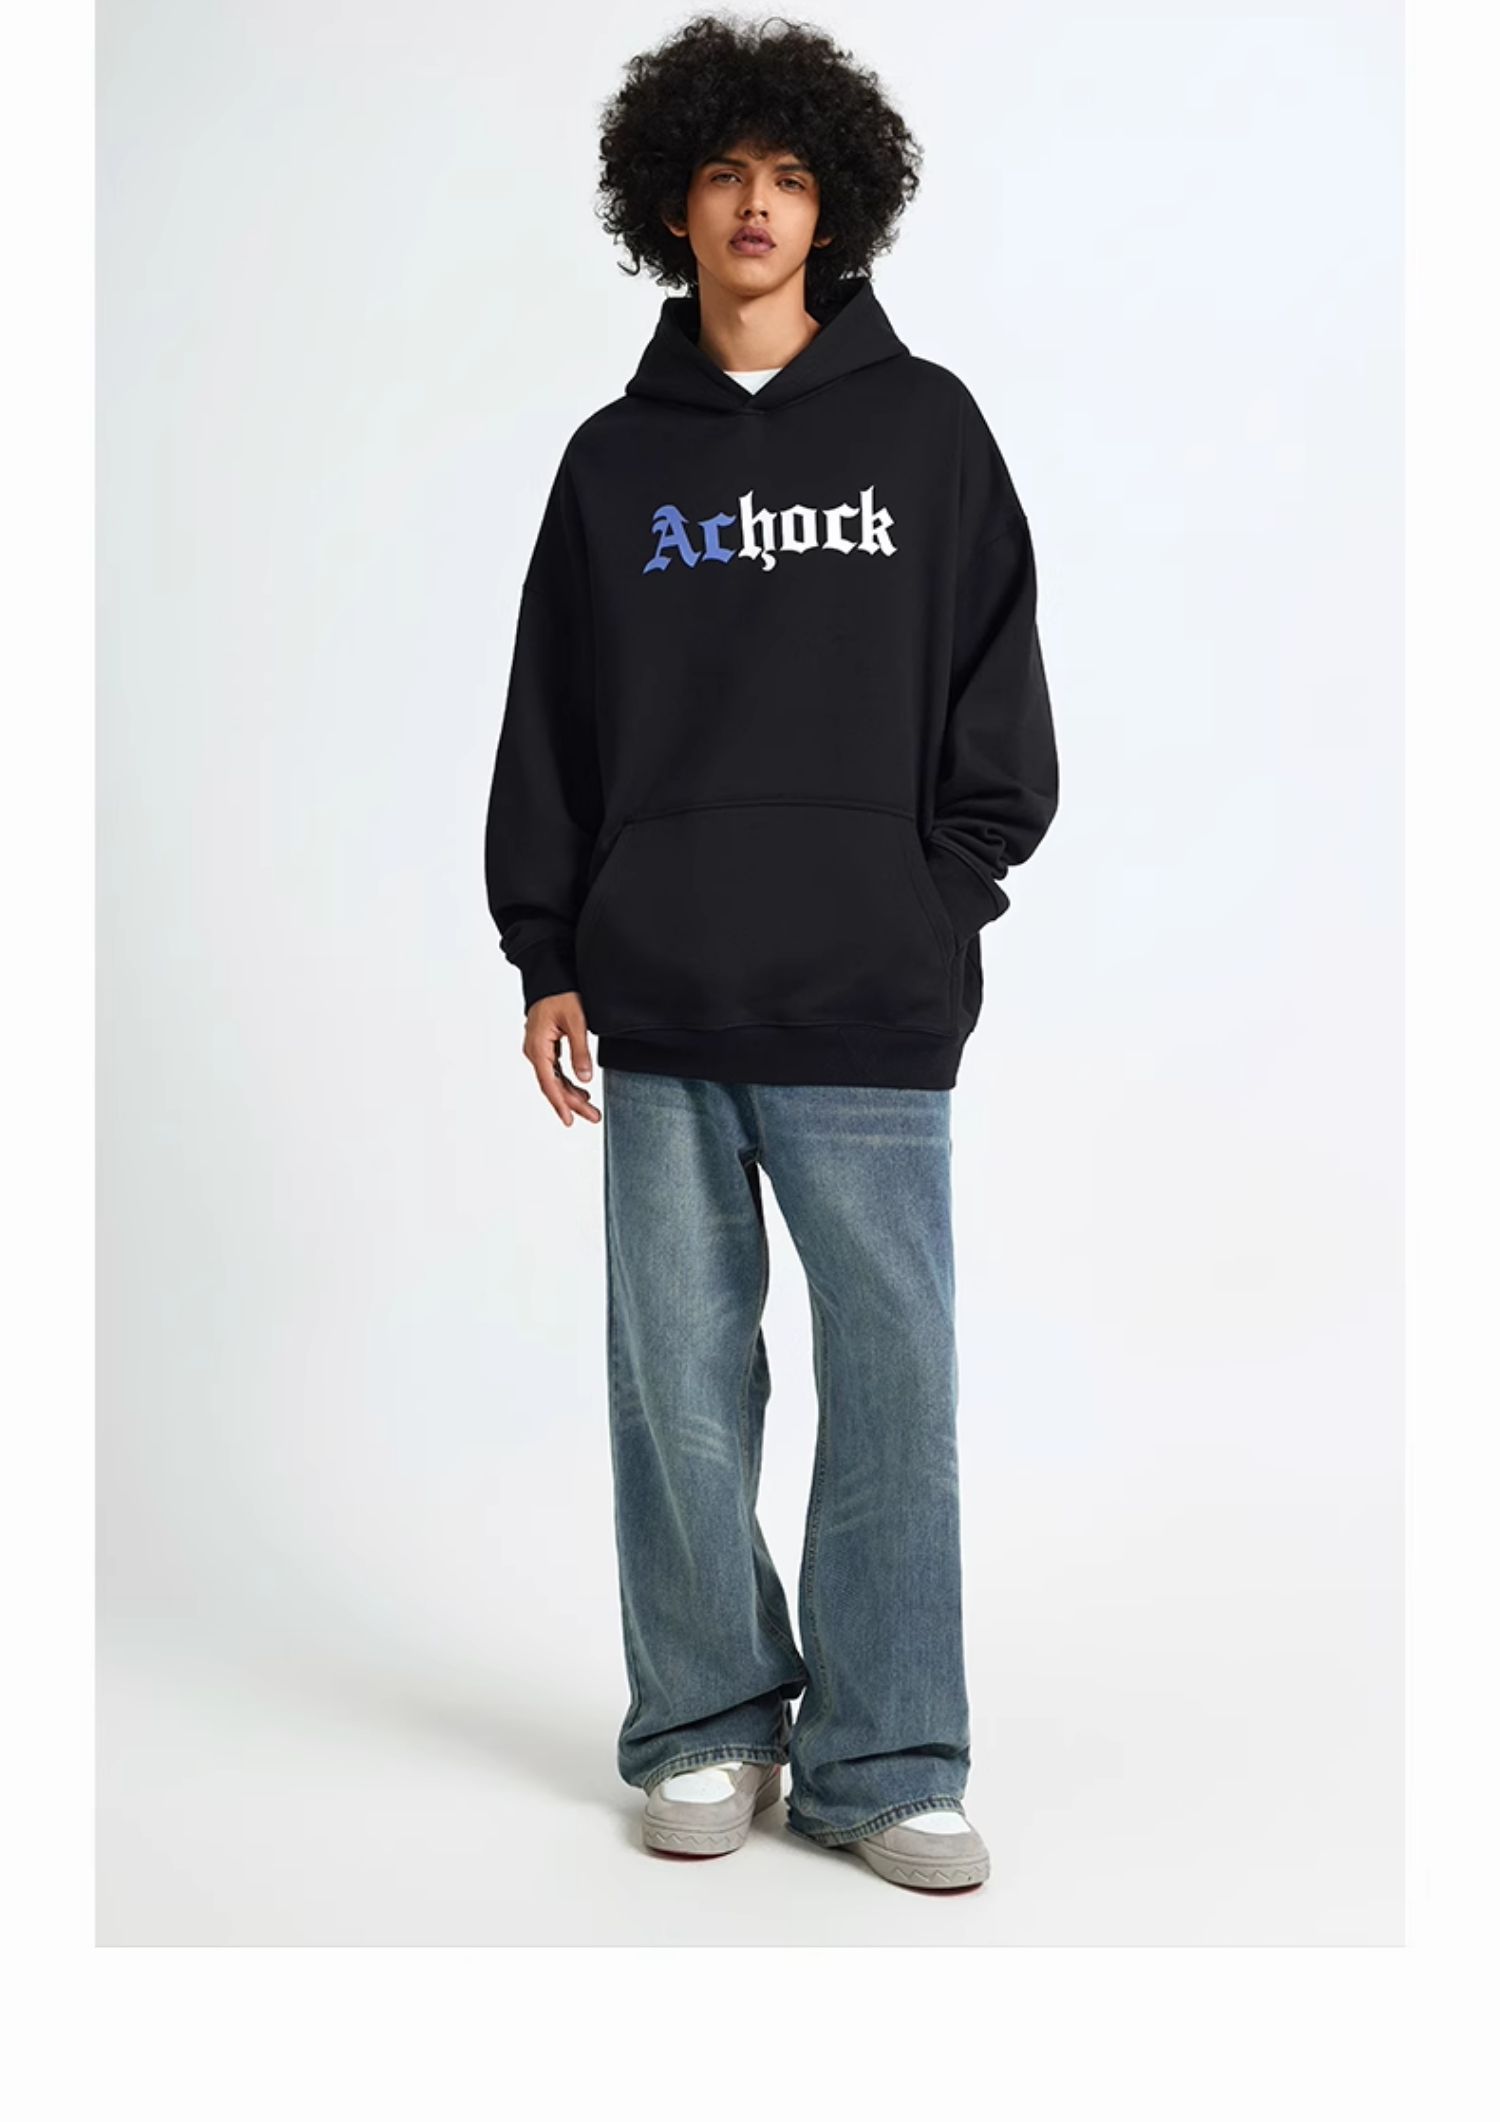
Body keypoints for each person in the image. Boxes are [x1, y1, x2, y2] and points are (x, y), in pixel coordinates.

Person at [484, 15, 1059, 1892]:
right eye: (725, 172)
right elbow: (552, 726)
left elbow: (1000, 705)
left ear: (835, 209)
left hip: (869, 1003)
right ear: (672, 204)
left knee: (894, 1388)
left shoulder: (927, 430)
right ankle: (703, 1720)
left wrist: (928, 897)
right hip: (656, 999)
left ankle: (885, 1754)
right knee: (676, 1387)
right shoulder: (610, 464)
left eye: (791, 176)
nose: (755, 204)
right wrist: (547, 951)